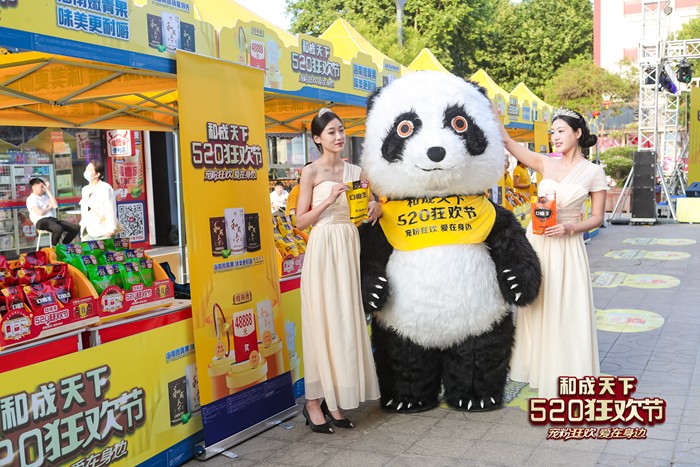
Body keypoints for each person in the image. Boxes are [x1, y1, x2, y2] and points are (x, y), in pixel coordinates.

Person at [495, 106, 608, 399]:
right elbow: (508, 142)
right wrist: (492, 113)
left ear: (578, 133)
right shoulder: (545, 163)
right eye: (553, 132)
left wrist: (571, 228)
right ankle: (539, 368)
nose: (555, 137)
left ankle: (568, 372)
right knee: (538, 303)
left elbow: (598, 217)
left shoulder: (593, 172)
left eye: (561, 131)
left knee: (565, 305)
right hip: (538, 243)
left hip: (567, 247)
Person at [295, 108, 380, 433]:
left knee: (344, 321)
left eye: (341, 130)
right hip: (322, 247)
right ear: (317, 138)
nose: (339, 136)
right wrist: (328, 200)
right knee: (322, 321)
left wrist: (376, 206)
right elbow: (300, 221)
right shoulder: (310, 172)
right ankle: (313, 402)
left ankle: (335, 401)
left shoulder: (356, 171)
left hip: (348, 246)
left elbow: (366, 205)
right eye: (331, 132)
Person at [26, 178, 79, 245]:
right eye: (41, 186)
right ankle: (54, 247)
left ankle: (64, 245)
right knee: (58, 228)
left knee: (76, 228)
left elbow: (55, 206)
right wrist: (49, 207)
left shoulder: (45, 197)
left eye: (44, 186)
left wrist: (48, 191)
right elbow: (40, 212)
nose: (43, 188)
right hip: (41, 221)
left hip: (52, 219)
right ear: (34, 187)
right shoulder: (31, 199)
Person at [80, 160, 119, 240]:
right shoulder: (85, 189)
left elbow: (110, 208)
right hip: (87, 230)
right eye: (86, 169)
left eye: (90, 170)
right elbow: (84, 210)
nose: (86, 172)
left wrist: (111, 229)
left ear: (97, 174)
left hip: (103, 231)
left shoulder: (105, 188)